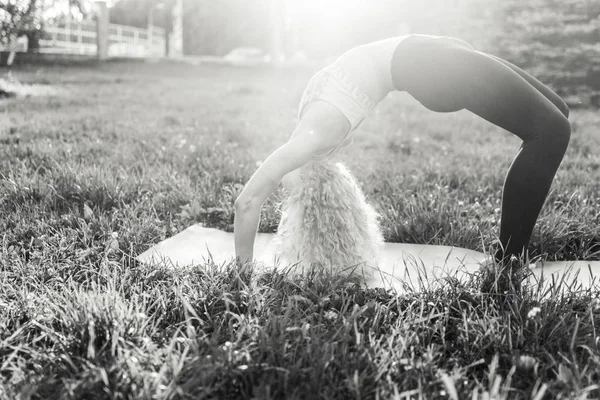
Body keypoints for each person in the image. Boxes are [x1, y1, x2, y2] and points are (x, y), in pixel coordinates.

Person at [233, 34, 571, 274]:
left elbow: (255, 196)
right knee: (552, 132)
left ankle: (508, 261)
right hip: (431, 66)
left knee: (559, 112)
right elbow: (246, 202)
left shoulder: (308, 137)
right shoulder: (316, 137)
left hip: (434, 54)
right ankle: (508, 264)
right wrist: (243, 275)